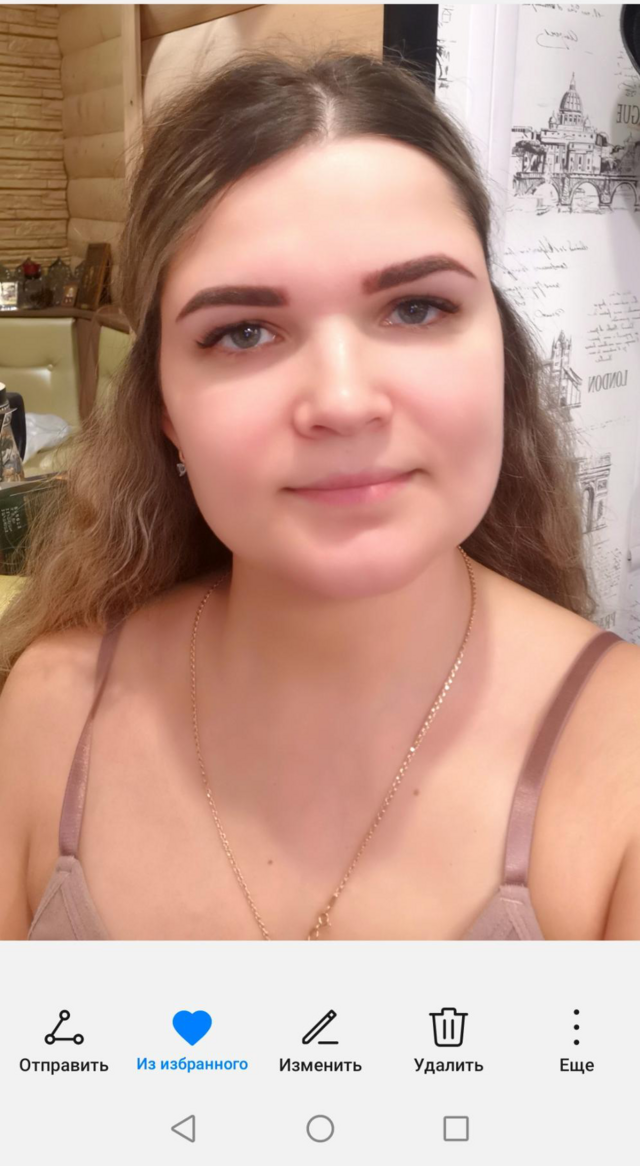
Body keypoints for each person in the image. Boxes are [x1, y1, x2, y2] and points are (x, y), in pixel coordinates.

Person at [1, 48, 639, 941]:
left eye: (417, 308)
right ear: (164, 410)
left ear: (501, 354)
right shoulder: (47, 713)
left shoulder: (620, 764)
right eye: (244, 331)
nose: (342, 402)